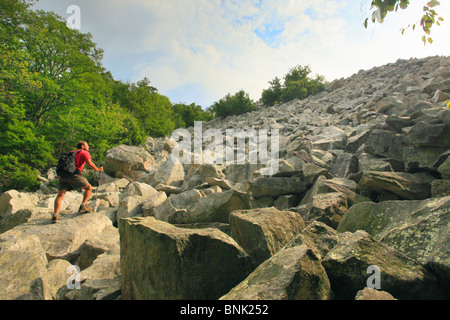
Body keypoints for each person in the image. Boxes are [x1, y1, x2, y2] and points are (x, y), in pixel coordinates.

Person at [52, 141, 103, 223]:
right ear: (82, 146)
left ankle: (55, 215)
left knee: (60, 195)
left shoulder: (70, 153)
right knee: (89, 188)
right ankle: (83, 206)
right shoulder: (84, 152)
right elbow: (90, 163)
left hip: (63, 175)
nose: (88, 147)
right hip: (73, 174)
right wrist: (98, 169)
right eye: (87, 145)